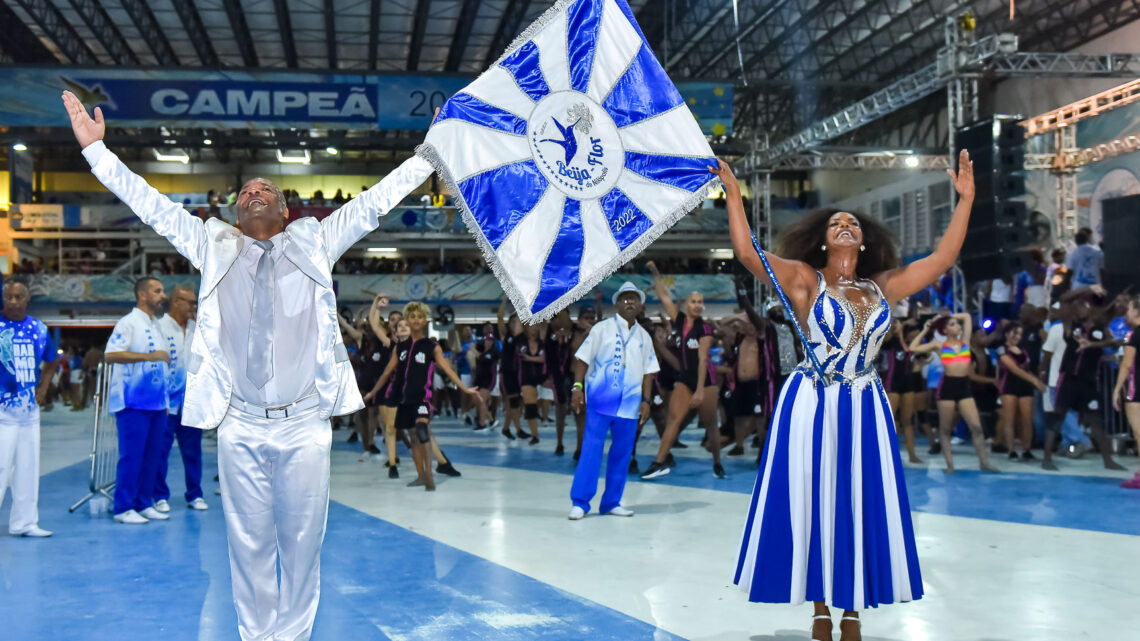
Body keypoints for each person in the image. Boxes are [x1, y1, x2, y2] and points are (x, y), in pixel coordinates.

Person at [64, 90, 434, 641]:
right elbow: (151, 205)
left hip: (304, 423)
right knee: (248, 544)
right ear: (237, 211)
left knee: (303, 544)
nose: (255, 191)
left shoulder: (316, 239)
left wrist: (428, 157)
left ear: (286, 211)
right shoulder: (210, 243)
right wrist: (98, 155)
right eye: (246, 191)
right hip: (239, 421)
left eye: (267, 189)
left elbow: (374, 203)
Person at [722, 150, 976, 640]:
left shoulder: (883, 287)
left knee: (859, 500)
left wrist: (964, 201)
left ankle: (853, 609)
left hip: (865, 404)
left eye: (852, 222)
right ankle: (820, 609)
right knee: (817, 499)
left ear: (863, 240)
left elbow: (943, 258)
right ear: (823, 239)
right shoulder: (803, 279)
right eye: (835, 221)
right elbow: (749, 254)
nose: (844, 224)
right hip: (813, 401)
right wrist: (736, 197)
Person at [568, 283, 659, 519]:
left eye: (634, 299)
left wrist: (646, 400)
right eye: (625, 298)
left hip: (630, 406)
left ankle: (611, 502)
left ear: (641, 306)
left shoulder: (644, 336)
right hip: (600, 402)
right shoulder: (602, 329)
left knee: (622, 453)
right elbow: (582, 359)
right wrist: (577, 387)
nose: (630, 303)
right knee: (591, 449)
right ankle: (580, 502)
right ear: (617, 303)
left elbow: (649, 371)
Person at [363, 302, 477, 490]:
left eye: (419, 317)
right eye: (412, 317)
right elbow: (386, 373)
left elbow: (447, 369)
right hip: (403, 400)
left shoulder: (431, 346)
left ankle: (430, 475)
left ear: (425, 320)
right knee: (413, 439)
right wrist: (372, 393)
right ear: (407, 319)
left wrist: (465, 388)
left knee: (422, 429)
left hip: (422, 399)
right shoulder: (399, 348)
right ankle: (421, 476)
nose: (416, 320)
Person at [641, 261, 724, 479]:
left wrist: (699, 391)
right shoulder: (678, 321)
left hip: (706, 382)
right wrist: (655, 271)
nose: (697, 305)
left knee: (710, 424)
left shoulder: (704, 328)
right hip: (684, 379)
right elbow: (664, 296)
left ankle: (717, 463)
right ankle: (658, 462)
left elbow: (704, 359)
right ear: (687, 304)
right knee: (673, 420)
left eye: (700, 302)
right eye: (694, 301)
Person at [104, 277, 171, 524]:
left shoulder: (156, 325)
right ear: (142, 295)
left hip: (156, 404)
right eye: (157, 291)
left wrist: (164, 402)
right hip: (132, 403)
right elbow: (111, 354)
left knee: (153, 456)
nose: (162, 295)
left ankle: (143, 503)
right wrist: (149, 356)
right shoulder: (128, 322)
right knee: (131, 456)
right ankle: (123, 508)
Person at [0, 278, 61, 537]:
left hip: (29, 413)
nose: (13, 301)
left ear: (27, 298)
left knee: (28, 467)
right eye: (9, 297)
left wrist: (44, 388)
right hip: (2, 413)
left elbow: (51, 361)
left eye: (19, 297)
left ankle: (24, 523)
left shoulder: (39, 329)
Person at [909, 312, 999, 473]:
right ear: (944, 330)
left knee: (977, 427)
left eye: (956, 324)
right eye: (952, 324)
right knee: (945, 429)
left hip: (964, 386)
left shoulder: (965, 341)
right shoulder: (939, 345)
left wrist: (946, 315)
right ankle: (950, 466)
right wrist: (925, 329)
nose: (957, 326)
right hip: (948, 387)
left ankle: (984, 462)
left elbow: (967, 317)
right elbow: (912, 347)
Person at [154, 285, 207, 512]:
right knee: (160, 451)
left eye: (195, 303)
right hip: (166, 404)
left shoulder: (199, 330)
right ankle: (159, 495)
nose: (194, 307)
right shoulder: (159, 327)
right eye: (190, 303)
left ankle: (194, 494)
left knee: (193, 451)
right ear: (176, 302)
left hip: (192, 404)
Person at [995, 322, 1046, 461]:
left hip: (1025, 386)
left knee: (1027, 420)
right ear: (1007, 333)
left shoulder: (1023, 350)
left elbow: (1026, 368)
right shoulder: (1002, 349)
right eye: (1015, 333)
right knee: (1009, 419)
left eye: (1019, 334)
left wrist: (1036, 379)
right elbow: (1014, 369)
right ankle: (1011, 450)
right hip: (1009, 385)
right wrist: (1034, 380)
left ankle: (1027, 449)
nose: (1017, 336)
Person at [1112, 295, 1140, 488]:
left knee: (1139, 432)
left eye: (1129, 309)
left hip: (1137, 389)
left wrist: (1116, 389)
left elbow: (1127, 363)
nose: (1127, 313)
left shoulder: (1134, 334)